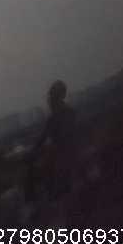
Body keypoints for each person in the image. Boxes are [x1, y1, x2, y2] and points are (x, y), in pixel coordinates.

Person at [24, 80, 77, 222]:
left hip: (62, 159)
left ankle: (35, 208)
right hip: (67, 155)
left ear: (55, 98)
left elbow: (43, 140)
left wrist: (31, 153)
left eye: (51, 97)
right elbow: (44, 140)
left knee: (33, 172)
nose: (48, 101)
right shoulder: (69, 113)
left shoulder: (56, 117)